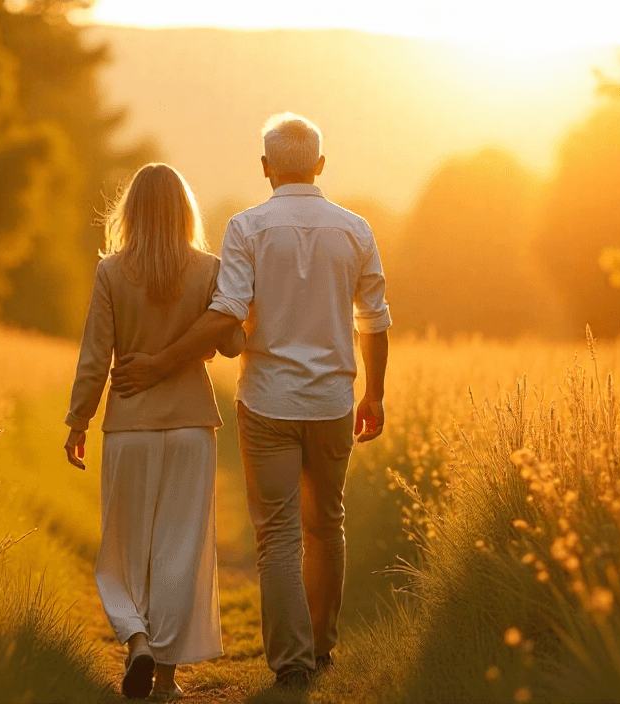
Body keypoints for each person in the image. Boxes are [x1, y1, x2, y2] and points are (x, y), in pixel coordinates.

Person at [111, 113, 391, 691]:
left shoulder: (247, 228)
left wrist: (160, 363)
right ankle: (322, 648)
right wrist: (375, 394)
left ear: (265, 168)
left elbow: (227, 314)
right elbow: (376, 319)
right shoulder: (356, 229)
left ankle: (290, 662)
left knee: (280, 534)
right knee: (328, 523)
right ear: (320, 164)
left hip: (267, 402)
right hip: (335, 400)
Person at [62, 163, 243, 700]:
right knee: (179, 550)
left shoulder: (112, 273)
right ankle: (166, 678)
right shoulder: (210, 269)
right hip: (191, 427)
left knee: (122, 548)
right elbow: (232, 345)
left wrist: (79, 420)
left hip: (130, 427)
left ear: (131, 212)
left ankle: (136, 639)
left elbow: (96, 357)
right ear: (185, 210)